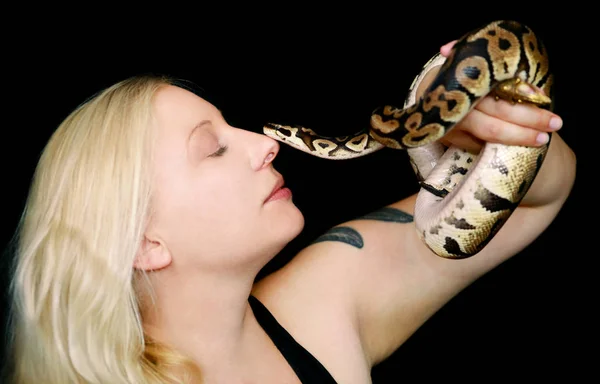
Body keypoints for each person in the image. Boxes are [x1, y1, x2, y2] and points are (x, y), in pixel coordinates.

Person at [5, 39, 575, 384]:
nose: (263, 143)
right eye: (214, 148)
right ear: (145, 242)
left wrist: (498, 131)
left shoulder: (323, 297)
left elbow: (537, 200)